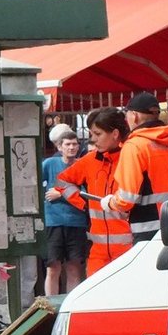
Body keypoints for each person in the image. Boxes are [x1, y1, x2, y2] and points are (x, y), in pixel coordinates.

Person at [105, 92, 168, 242]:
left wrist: (109, 202)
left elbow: (127, 198)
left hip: (148, 231)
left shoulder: (135, 146)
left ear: (134, 116)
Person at [55, 107, 130, 277]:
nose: (93, 139)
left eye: (98, 134)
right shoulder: (90, 160)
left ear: (115, 133)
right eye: (92, 134)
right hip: (98, 253)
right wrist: (83, 202)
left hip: (129, 251)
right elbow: (62, 181)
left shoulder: (131, 157)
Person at [41, 123, 87, 294]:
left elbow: (86, 191)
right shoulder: (49, 164)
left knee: (74, 268)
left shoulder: (82, 164)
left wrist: (61, 192)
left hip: (77, 222)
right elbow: (36, 183)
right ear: (59, 147)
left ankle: (70, 306)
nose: (72, 147)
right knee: (53, 267)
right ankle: (51, 308)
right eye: (67, 144)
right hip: (53, 221)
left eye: (75, 144)